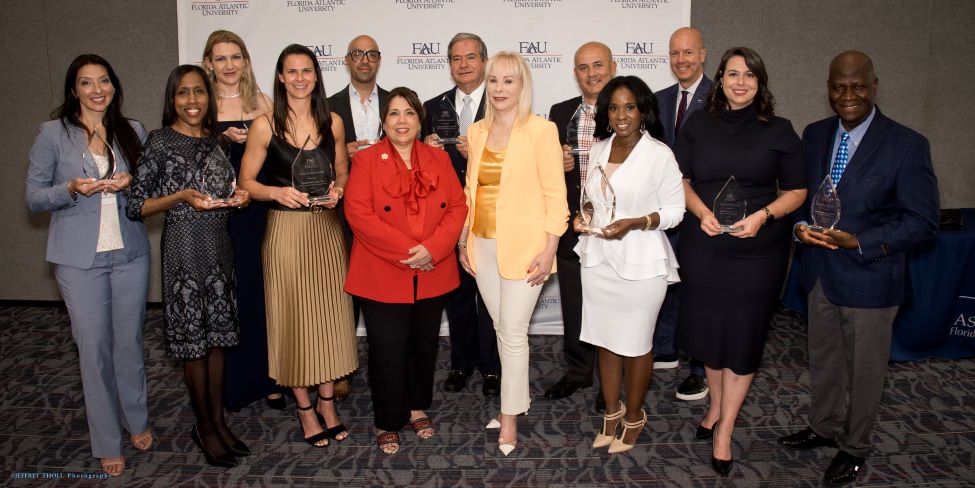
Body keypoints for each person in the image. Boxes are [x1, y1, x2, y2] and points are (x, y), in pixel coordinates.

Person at [778, 50, 939, 486]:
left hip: (871, 277)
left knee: (865, 372)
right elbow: (801, 195)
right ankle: (823, 426)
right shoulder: (814, 134)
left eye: (858, 86)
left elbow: (923, 220)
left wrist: (861, 241)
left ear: (874, 86)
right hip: (819, 272)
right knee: (824, 360)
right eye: (839, 86)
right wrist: (799, 228)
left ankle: (854, 447)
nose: (848, 95)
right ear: (828, 88)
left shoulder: (907, 144)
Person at [674, 47, 807, 477]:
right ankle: (715, 408)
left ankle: (725, 429)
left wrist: (764, 216)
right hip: (705, 244)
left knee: (743, 338)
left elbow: (797, 191)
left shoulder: (780, 130)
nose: (740, 82)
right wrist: (701, 213)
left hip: (758, 251)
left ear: (759, 82)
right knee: (712, 336)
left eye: (749, 75)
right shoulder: (698, 124)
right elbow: (680, 180)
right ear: (721, 78)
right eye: (733, 74)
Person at [26, 54, 152, 477]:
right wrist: (70, 187)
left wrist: (133, 182)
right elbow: (34, 197)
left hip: (130, 254)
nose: (97, 90)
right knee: (94, 350)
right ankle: (107, 440)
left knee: (129, 343)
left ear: (114, 86)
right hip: (79, 261)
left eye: (103, 81)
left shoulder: (132, 130)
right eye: (86, 82)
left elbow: (150, 187)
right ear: (74, 90)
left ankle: (136, 418)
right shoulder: (52, 134)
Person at [126, 65, 251, 467]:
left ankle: (218, 422)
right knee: (195, 342)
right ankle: (204, 426)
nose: (192, 100)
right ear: (172, 99)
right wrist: (179, 196)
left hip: (219, 248)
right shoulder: (160, 141)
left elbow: (225, 190)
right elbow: (136, 205)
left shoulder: (219, 141)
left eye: (199, 92)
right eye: (183, 93)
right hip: (183, 249)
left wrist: (240, 198)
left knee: (217, 340)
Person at [238, 44, 357, 449]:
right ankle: (305, 409)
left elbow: (342, 169)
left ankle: (327, 403)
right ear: (280, 77)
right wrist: (275, 192)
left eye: (307, 70)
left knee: (329, 318)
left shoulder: (332, 121)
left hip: (326, 231)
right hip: (286, 234)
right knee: (292, 319)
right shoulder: (264, 125)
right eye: (292, 71)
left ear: (316, 76)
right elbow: (246, 183)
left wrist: (338, 190)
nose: (300, 78)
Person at [345, 87, 468, 454]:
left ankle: (416, 407)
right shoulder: (366, 161)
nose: (402, 121)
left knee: (423, 346)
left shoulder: (438, 159)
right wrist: (410, 253)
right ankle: (387, 420)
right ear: (384, 122)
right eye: (394, 113)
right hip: (383, 270)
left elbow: (457, 206)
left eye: (409, 113)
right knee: (387, 349)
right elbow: (358, 214)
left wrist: (433, 249)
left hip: (432, 268)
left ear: (419, 120)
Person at [458, 51, 568, 456]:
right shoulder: (477, 132)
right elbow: (471, 192)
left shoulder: (541, 131)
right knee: (502, 328)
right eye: (493, 80)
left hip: (526, 249)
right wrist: (463, 241)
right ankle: (516, 399)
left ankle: (509, 417)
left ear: (523, 86)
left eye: (509, 81)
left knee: (513, 333)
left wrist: (549, 248)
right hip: (482, 246)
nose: (499, 88)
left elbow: (556, 195)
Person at [575, 76, 685, 454]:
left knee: (637, 344)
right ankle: (611, 411)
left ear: (643, 111)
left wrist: (636, 222)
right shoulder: (599, 148)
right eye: (613, 108)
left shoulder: (659, 154)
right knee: (606, 340)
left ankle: (635, 415)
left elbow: (675, 212)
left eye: (629, 107)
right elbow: (593, 199)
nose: (621, 115)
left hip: (642, 260)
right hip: (597, 258)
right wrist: (584, 215)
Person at [200, 29, 283, 412]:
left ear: (246, 61)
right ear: (208, 63)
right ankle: (235, 380)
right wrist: (221, 140)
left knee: (261, 292)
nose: (229, 65)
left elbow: (278, 155)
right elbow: (187, 157)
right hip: (216, 214)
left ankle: (270, 379)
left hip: (258, 211)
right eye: (221, 58)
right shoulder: (200, 104)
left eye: (236, 57)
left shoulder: (263, 101)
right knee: (227, 295)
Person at [421, 32, 501, 397]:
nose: (463, 64)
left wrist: (479, 154)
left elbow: (515, 159)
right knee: (457, 294)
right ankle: (461, 362)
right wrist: (425, 150)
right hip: (447, 216)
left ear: (484, 61)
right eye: (456, 58)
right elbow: (416, 166)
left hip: (490, 214)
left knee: (491, 295)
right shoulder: (431, 107)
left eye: (470, 57)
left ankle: (492, 367)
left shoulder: (501, 103)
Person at [545, 41, 617, 412]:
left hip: (616, 228)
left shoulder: (627, 109)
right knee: (574, 303)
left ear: (613, 67)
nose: (592, 74)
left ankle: (610, 380)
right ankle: (578, 371)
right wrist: (556, 163)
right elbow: (544, 169)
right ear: (575, 74)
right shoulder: (560, 113)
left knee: (610, 305)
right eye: (584, 67)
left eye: (598, 65)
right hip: (573, 225)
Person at [327, 34, 389, 400]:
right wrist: (340, 155)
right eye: (357, 54)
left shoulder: (396, 103)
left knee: (385, 294)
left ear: (379, 60)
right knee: (345, 292)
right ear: (347, 60)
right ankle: (342, 368)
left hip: (391, 214)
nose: (364, 60)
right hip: (344, 211)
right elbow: (310, 159)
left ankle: (388, 366)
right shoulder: (327, 106)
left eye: (371, 54)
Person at [652, 27, 712, 402]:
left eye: (688, 52)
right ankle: (666, 348)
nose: (681, 60)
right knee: (667, 281)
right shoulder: (659, 99)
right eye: (675, 53)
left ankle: (700, 368)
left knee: (700, 292)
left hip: (704, 210)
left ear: (703, 54)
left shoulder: (721, 99)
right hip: (664, 211)